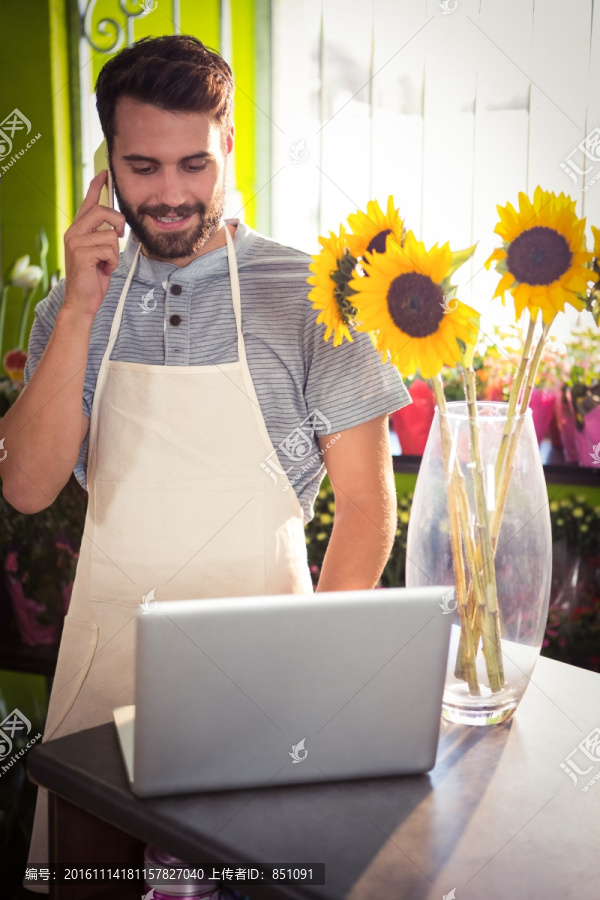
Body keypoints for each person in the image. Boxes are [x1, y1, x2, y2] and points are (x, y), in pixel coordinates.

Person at [0, 34, 410, 889]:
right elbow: (28, 487)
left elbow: (369, 507)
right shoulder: (72, 305)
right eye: (143, 168)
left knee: (256, 881)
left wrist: (307, 676)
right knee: (89, 880)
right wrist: (78, 306)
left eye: (195, 163)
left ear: (229, 147)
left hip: (268, 673)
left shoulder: (314, 299)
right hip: (106, 664)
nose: (173, 194)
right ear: (107, 164)